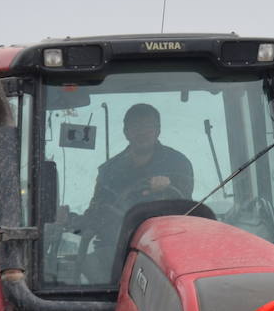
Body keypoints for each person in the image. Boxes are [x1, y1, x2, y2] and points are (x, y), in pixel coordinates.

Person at [81, 103, 194, 243]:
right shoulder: (108, 171)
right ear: (126, 132)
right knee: (92, 264)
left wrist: (170, 185)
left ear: (158, 131)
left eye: (148, 127)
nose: (141, 132)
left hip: (167, 243)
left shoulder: (178, 163)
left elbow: (186, 205)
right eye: (135, 127)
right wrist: (69, 219)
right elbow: (96, 214)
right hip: (115, 250)